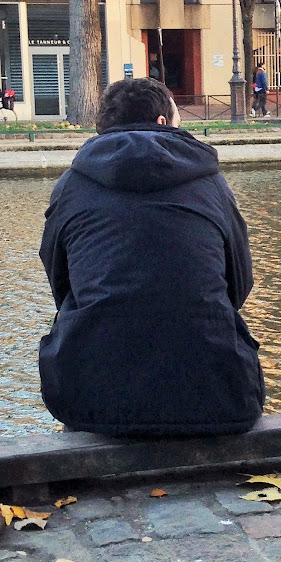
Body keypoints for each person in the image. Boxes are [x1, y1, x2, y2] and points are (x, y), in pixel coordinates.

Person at [39, 78, 265, 436]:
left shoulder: (71, 185)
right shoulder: (211, 184)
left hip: (91, 397)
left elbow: (61, 282)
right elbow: (240, 282)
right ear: (163, 122)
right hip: (218, 394)